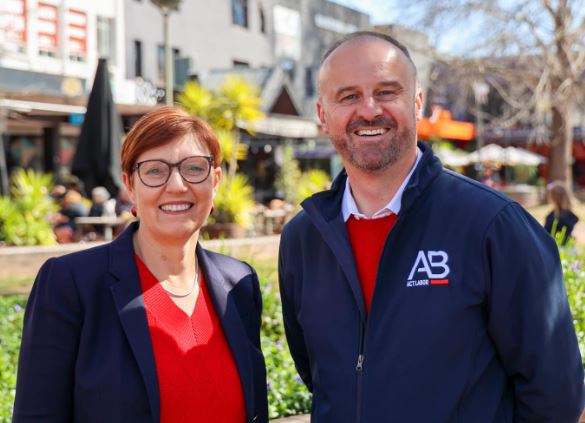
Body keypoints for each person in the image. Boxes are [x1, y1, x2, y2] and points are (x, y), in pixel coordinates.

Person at [278, 31, 585, 422]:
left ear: (417, 103)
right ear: (323, 114)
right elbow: (319, 374)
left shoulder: (494, 225)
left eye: (387, 92)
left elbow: (555, 396)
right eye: (348, 96)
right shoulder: (303, 240)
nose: (369, 110)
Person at [14, 107, 268, 422]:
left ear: (215, 181)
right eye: (154, 170)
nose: (176, 185)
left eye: (194, 168)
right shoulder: (71, 284)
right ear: (130, 186)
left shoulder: (239, 284)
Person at [545, 180, 579, 245]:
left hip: (556, 249)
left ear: (553, 198)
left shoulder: (551, 217)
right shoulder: (572, 217)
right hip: (569, 249)